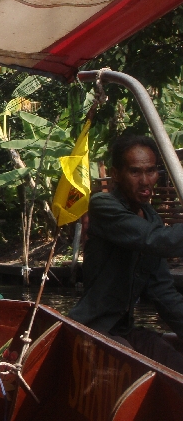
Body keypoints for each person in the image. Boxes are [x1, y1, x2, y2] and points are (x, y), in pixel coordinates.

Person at [68, 133, 183, 373]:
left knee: (174, 365)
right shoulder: (103, 206)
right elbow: (152, 240)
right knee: (129, 367)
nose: (145, 181)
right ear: (117, 174)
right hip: (91, 328)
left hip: (123, 329)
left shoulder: (151, 218)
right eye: (135, 172)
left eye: (151, 171)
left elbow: (163, 292)